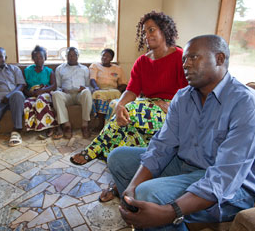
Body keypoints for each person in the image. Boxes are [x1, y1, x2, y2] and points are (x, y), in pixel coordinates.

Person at [108, 35, 255, 231]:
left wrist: (170, 211)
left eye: (193, 57)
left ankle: (166, 219)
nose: (185, 64)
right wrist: (132, 186)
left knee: (149, 193)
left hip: (234, 186)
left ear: (219, 59)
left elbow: (224, 177)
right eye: (184, 59)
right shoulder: (183, 97)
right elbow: (161, 147)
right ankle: (149, 220)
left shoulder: (248, 105)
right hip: (186, 165)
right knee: (118, 158)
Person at [70, 11, 188, 170]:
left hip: (171, 110)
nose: (147, 35)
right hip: (148, 105)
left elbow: (192, 91)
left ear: (164, 29)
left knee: (131, 111)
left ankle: (94, 149)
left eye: (151, 30)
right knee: (125, 118)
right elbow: (132, 90)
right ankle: (122, 167)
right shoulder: (142, 62)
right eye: (144, 32)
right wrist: (119, 105)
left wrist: (173, 106)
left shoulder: (180, 57)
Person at [52, 47, 92, 139]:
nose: (71, 57)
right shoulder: (59, 69)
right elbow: (57, 86)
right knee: (56, 94)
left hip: (79, 94)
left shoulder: (84, 69)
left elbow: (89, 86)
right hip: (67, 95)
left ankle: (85, 125)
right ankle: (67, 125)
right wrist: (61, 89)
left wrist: (84, 88)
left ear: (78, 56)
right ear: (66, 56)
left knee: (87, 92)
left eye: (74, 55)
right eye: (69, 55)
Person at [23, 45, 58, 138]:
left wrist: (42, 91)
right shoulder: (27, 70)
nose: (38, 59)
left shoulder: (49, 71)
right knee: (27, 103)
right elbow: (23, 86)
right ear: (33, 59)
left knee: (40, 100)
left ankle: (51, 126)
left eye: (41, 57)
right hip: (32, 94)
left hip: (46, 94)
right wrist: (29, 93)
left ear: (45, 58)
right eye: (36, 57)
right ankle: (35, 127)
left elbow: (54, 85)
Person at [90, 48, 127, 131]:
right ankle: (101, 124)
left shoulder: (118, 69)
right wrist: (96, 87)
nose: (104, 58)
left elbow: (123, 83)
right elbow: (92, 79)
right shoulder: (95, 66)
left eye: (107, 56)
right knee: (98, 95)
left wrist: (118, 89)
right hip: (100, 89)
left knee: (117, 94)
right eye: (103, 55)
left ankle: (111, 124)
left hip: (113, 90)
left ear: (111, 59)